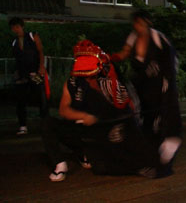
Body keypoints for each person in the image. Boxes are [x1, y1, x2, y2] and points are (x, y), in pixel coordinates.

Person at [42, 40, 161, 182]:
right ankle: (60, 164)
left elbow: (126, 110)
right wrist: (84, 116)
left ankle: (98, 156)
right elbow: (63, 109)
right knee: (48, 123)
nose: (88, 77)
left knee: (101, 167)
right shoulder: (72, 83)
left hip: (103, 131)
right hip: (81, 128)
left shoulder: (110, 80)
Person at [112, 10, 182, 170]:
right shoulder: (133, 37)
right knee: (145, 112)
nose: (138, 26)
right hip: (143, 82)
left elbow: (170, 61)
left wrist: (168, 80)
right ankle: (150, 147)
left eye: (141, 23)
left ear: (147, 23)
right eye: (136, 23)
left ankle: (171, 140)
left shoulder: (158, 37)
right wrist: (108, 58)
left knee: (166, 109)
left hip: (162, 79)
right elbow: (124, 52)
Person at [9, 17, 48, 135]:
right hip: (22, 74)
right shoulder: (14, 42)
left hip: (35, 73)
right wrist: (16, 73)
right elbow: (17, 59)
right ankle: (23, 126)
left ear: (22, 26)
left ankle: (46, 124)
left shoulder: (32, 35)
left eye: (17, 27)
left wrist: (41, 67)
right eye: (13, 28)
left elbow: (41, 52)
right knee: (20, 100)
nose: (16, 30)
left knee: (41, 97)